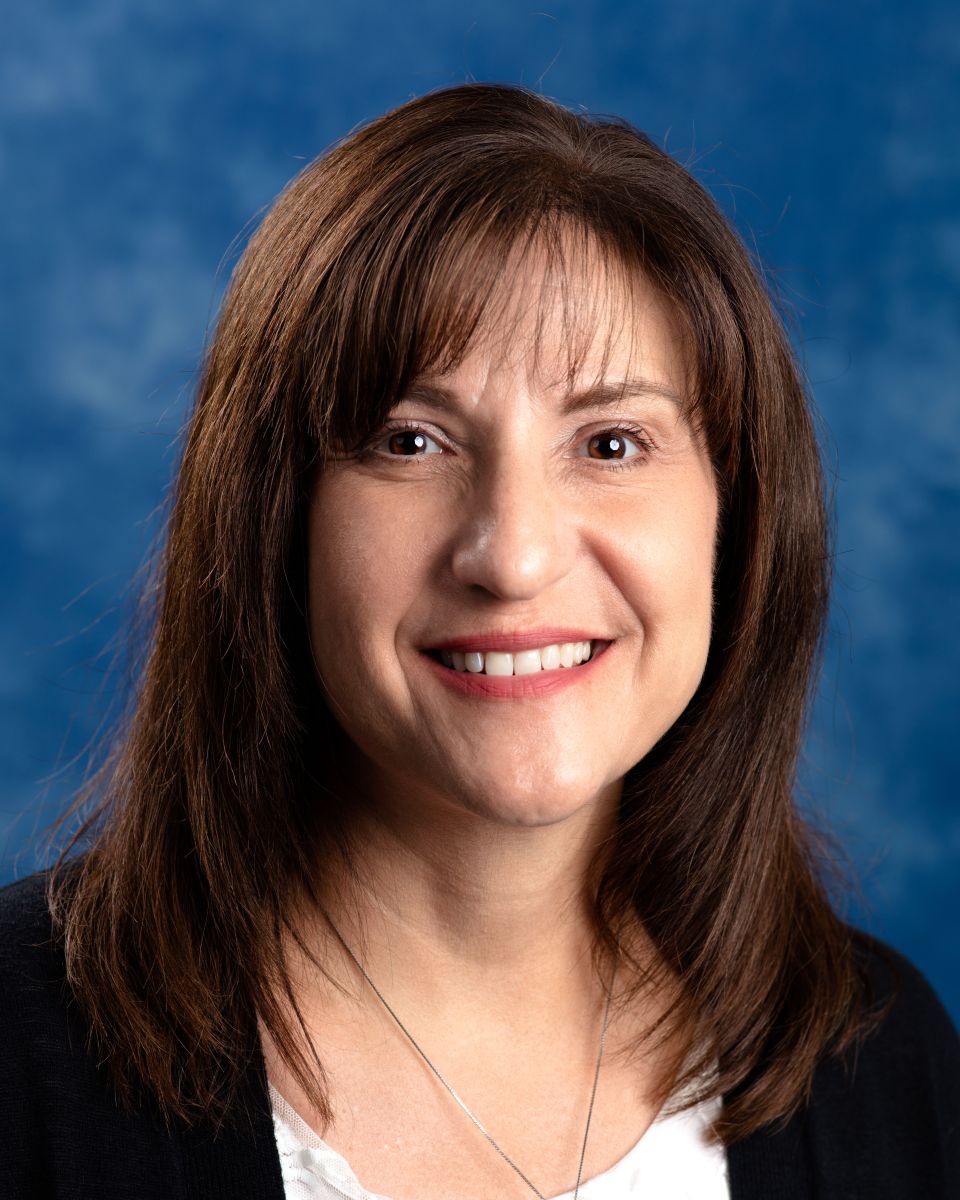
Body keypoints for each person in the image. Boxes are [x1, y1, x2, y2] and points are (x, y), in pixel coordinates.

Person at [1, 82, 957, 1200]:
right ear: (275, 519)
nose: (512, 556)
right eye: (410, 442)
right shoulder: (20, 1064)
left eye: (610, 443)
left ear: (734, 521)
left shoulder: (888, 1075)